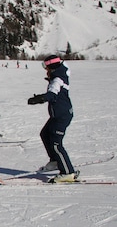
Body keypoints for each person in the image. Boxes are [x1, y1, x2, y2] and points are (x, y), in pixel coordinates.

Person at [28, 55, 79, 183]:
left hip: (62, 115)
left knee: (56, 144)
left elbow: (52, 94)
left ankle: (68, 172)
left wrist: (39, 98)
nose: (46, 70)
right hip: (59, 114)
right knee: (45, 134)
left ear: (52, 67)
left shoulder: (57, 79)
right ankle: (55, 161)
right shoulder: (60, 74)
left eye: (47, 67)